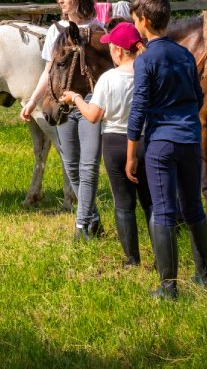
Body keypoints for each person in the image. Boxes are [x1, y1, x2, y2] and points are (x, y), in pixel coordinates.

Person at [126, 0, 207, 299]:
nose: (135, 26)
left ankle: (168, 286)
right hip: (190, 139)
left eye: (135, 20)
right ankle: (204, 277)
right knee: (193, 207)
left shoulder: (145, 59)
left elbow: (139, 108)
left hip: (161, 142)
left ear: (145, 21)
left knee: (162, 211)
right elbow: (198, 96)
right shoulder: (185, 55)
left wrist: (131, 151)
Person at [59, 20, 153, 267]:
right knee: (150, 203)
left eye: (111, 46)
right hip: (145, 141)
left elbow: (92, 116)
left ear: (119, 51)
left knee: (124, 205)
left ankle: (132, 260)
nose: (109, 50)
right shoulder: (148, 74)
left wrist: (76, 98)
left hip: (115, 143)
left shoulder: (108, 78)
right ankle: (161, 256)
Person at [20, 0, 105, 240]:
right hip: (64, 103)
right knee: (71, 164)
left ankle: (82, 226)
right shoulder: (55, 30)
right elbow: (49, 71)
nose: (61, 0)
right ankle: (93, 218)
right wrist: (33, 101)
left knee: (88, 165)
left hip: (91, 101)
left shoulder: (98, 28)